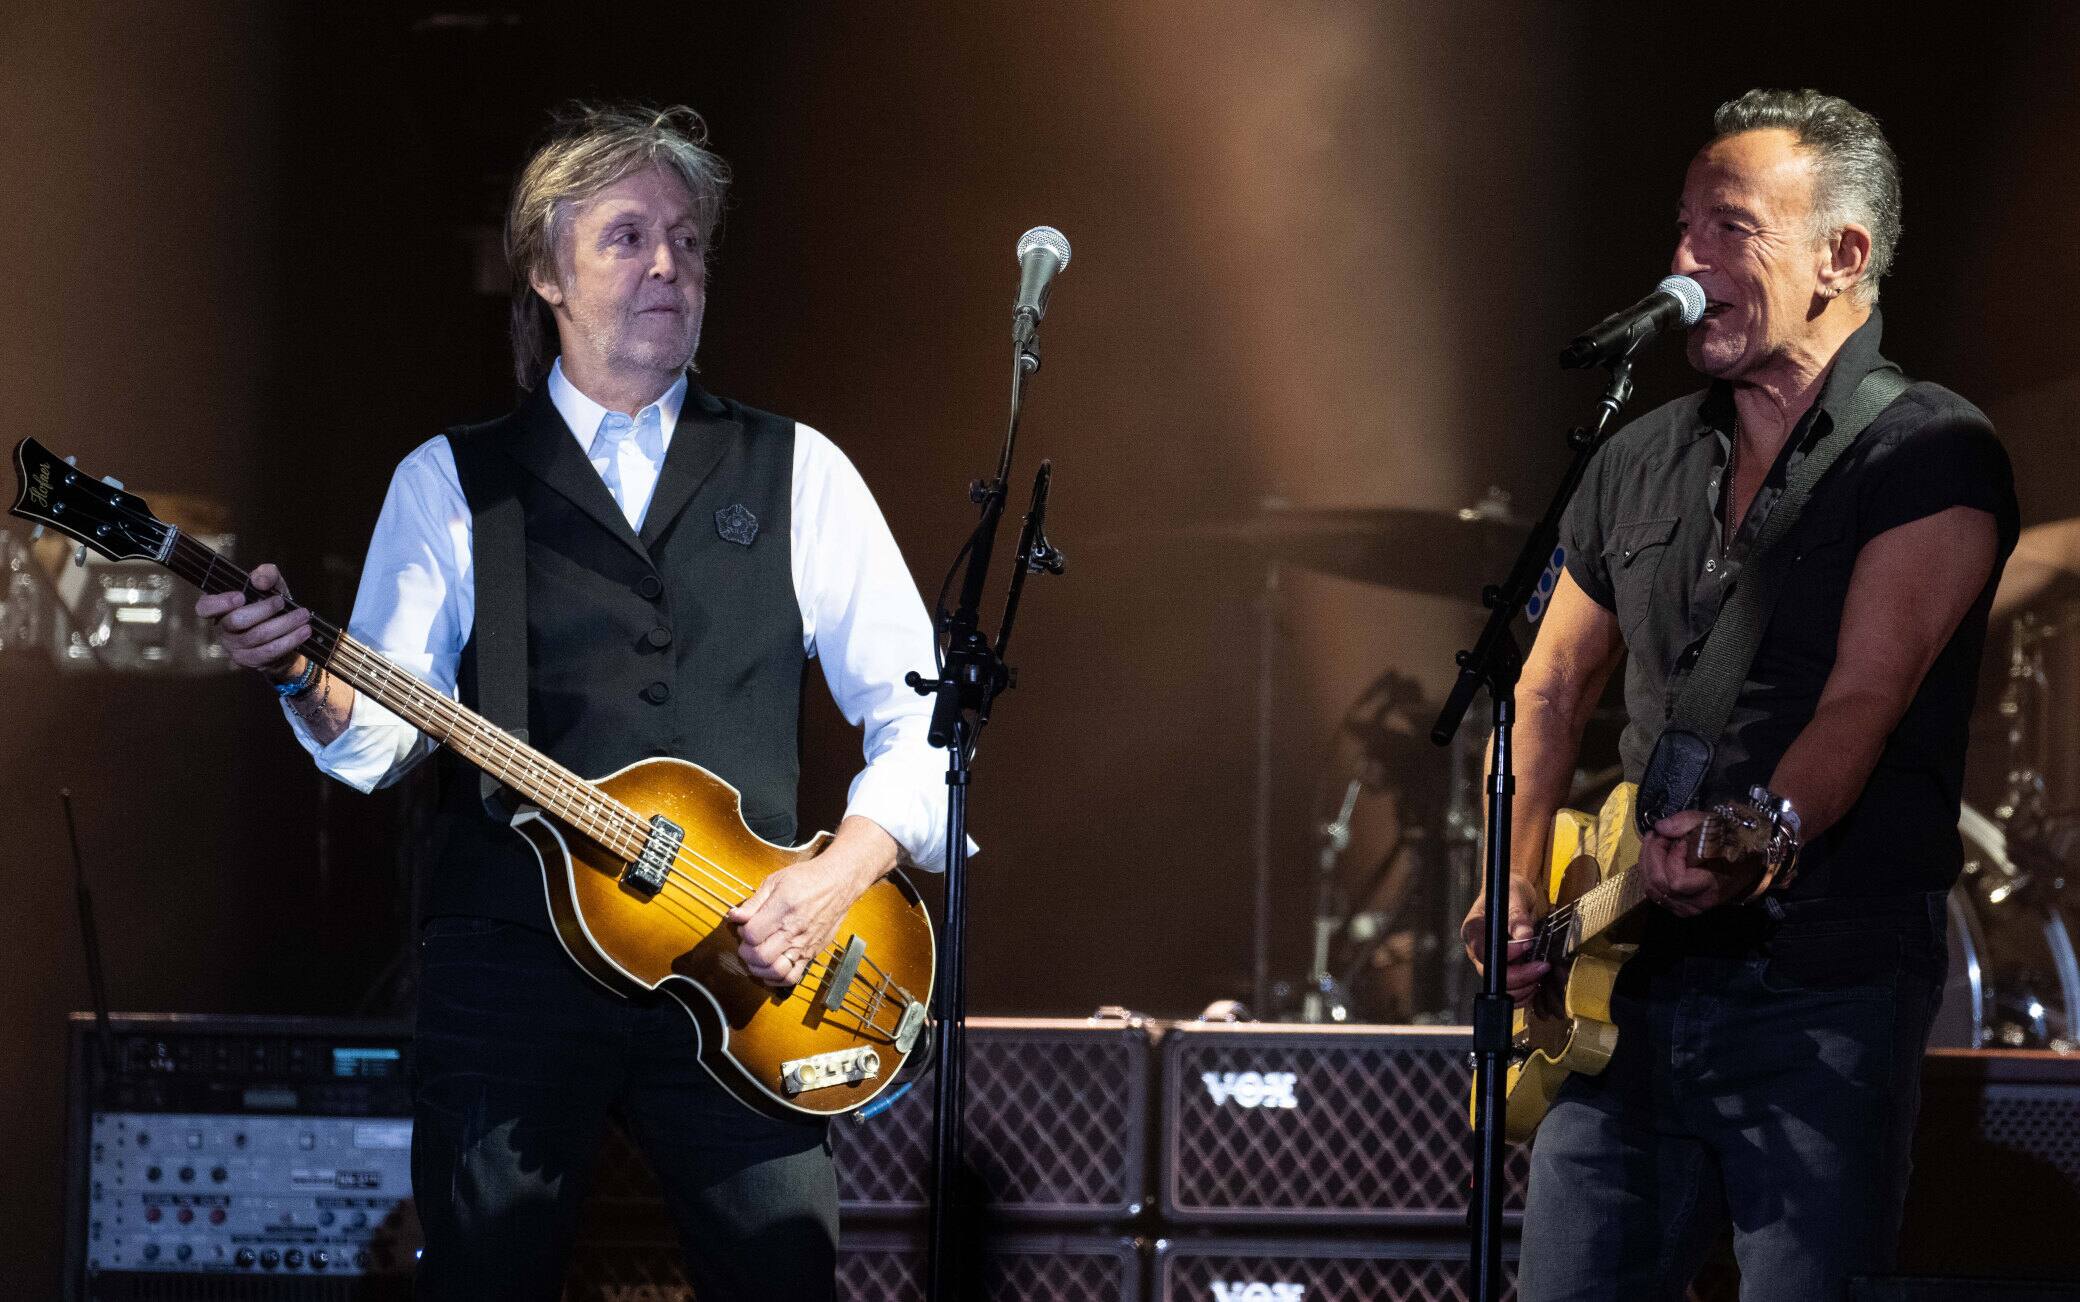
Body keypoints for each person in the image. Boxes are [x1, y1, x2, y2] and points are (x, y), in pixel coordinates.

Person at [196, 103, 949, 1301]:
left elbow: (925, 720)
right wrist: (302, 674)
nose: (669, 265)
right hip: (512, 970)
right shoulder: (452, 481)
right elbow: (382, 735)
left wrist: (837, 874)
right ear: (545, 271)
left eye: (689, 240)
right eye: (628, 237)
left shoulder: (800, 467)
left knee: (786, 1281)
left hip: (754, 966)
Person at [1461, 89, 2018, 1298]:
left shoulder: (1931, 452)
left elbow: (1864, 696)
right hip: (1622, 984)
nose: (1684, 262)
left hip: (1819, 990)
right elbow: (1551, 683)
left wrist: (1759, 832)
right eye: (1679, 228)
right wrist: (1508, 882)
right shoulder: (1638, 454)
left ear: (1841, 256)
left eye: (1726, 229)